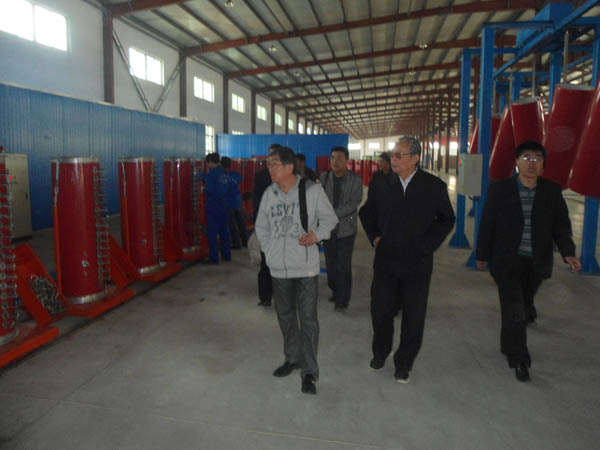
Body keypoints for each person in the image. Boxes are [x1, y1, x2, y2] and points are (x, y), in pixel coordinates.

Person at [476, 141, 581, 382]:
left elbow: (561, 226)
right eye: (526, 157)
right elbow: (488, 223)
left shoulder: (551, 191)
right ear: (517, 162)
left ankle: (508, 344)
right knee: (515, 309)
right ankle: (520, 359)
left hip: (536, 262)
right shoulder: (500, 189)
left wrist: (568, 252)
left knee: (521, 305)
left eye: (536, 158)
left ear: (543, 165)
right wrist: (481, 254)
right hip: (506, 261)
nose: (531, 163)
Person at [358, 137, 455, 383]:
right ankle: (381, 352)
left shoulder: (433, 186)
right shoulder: (382, 183)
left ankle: (404, 363)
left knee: (413, 317)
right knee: (380, 311)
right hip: (386, 261)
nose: (394, 159)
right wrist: (375, 236)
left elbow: (446, 219)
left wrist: (427, 245)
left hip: (417, 264)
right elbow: (366, 212)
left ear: (415, 158)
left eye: (400, 155)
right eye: (393, 154)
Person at [255, 146, 338, 395]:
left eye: (274, 164)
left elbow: (330, 219)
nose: (270, 169)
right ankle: (292, 358)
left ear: (289, 167)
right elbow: (261, 226)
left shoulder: (312, 190)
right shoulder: (269, 193)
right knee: (285, 316)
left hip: (305, 269)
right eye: (268, 164)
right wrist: (269, 251)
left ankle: (309, 372)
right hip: (278, 269)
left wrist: (316, 235)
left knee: (308, 320)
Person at [319, 146, 363, 311]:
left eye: (339, 158)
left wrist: (332, 214)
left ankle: (342, 300)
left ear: (346, 161)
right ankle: (336, 290)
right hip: (328, 230)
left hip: (346, 229)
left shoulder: (355, 180)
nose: (335, 161)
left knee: (343, 265)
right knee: (331, 265)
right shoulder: (324, 177)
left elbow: (353, 203)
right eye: (332, 158)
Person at [252, 143, 282, 307]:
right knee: (266, 263)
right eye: (271, 155)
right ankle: (265, 297)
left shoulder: (291, 173)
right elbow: (257, 200)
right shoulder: (261, 176)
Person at [201, 153, 232, 264]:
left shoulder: (212, 173)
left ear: (210, 162)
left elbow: (210, 190)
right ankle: (226, 255)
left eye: (208, 163)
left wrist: (203, 189)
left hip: (213, 207)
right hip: (225, 206)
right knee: (224, 232)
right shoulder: (224, 173)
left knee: (212, 233)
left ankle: (214, 258)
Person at [220, 156, 248, 249]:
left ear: (221, 165)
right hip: (237, 201)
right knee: (241, 223)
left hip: (228, 203)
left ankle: (236, 244)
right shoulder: (236, 174)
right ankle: (245, 241)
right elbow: (239, 181)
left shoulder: (221, 176)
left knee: (232, 225)